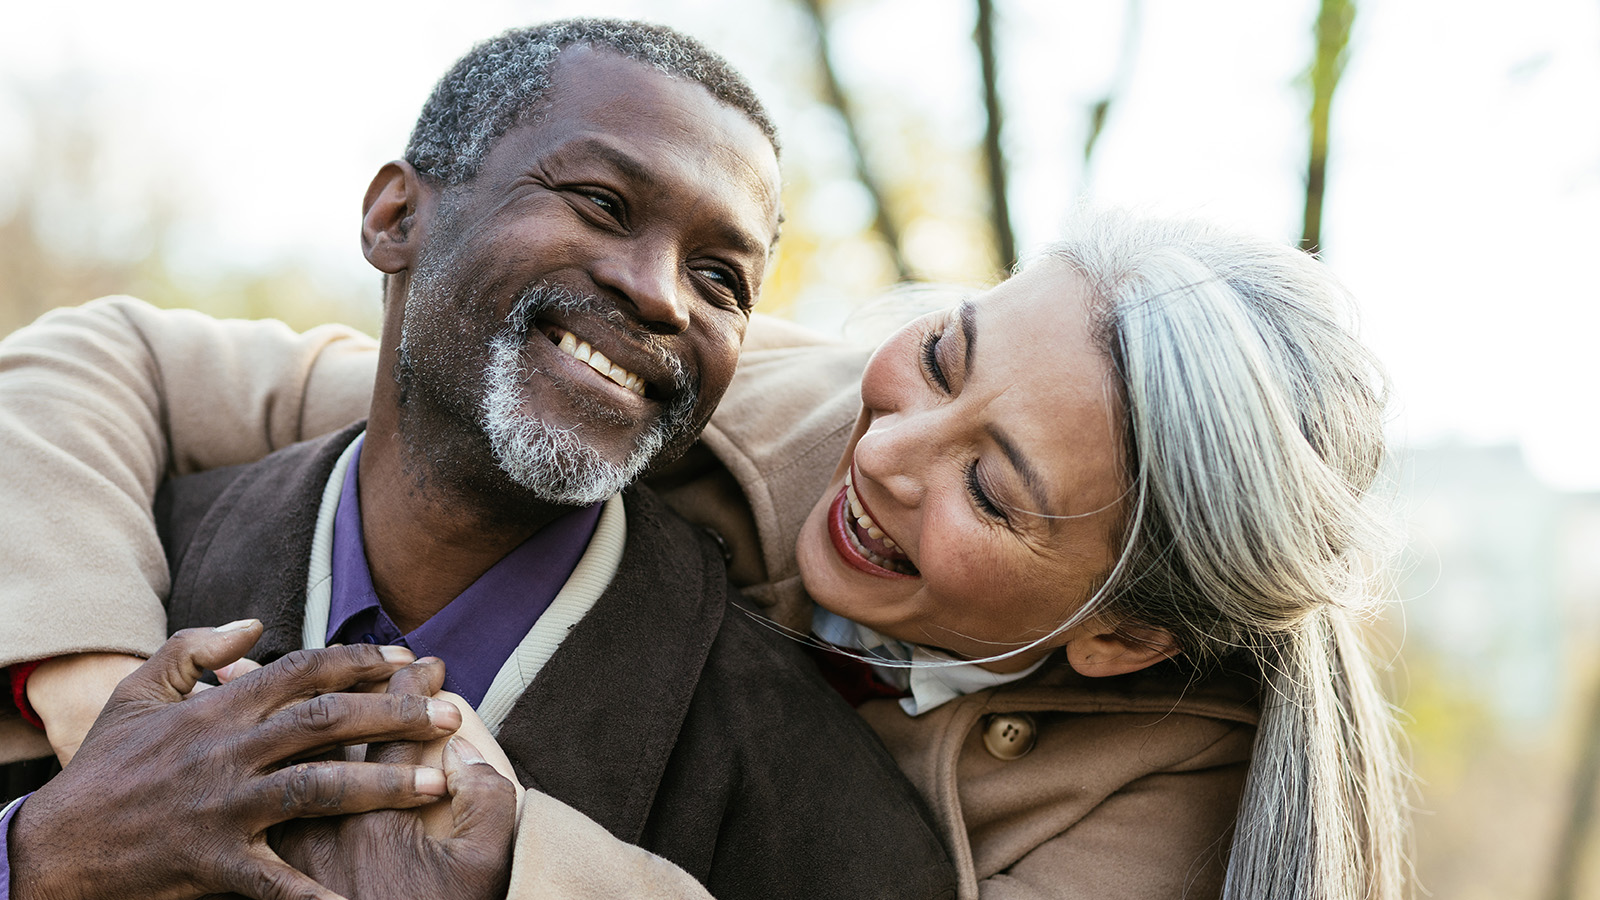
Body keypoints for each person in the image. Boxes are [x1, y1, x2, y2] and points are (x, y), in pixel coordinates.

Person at [0, 207, 1412, 899]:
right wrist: (99, 706)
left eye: (990, 490)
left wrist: (522, 864)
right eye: (942, 354)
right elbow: (107, 359)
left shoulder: (1180, 816)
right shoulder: (706, 392)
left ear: (1121, 637)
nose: (886, 452)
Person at [0, 18, 960, 900]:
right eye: (602, 202)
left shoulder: (823, 806)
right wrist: (37, 853)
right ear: (394, 220)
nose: (664, 296)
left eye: (721, 278)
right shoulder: (94, 588)